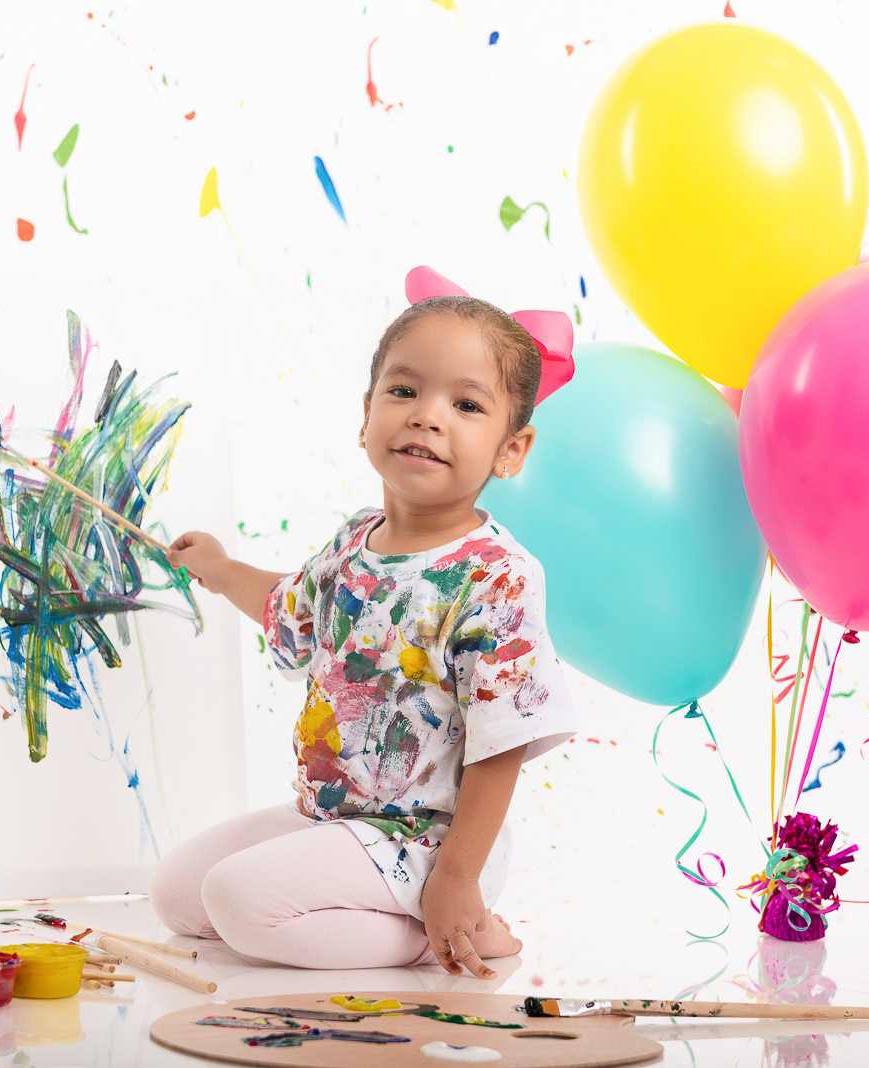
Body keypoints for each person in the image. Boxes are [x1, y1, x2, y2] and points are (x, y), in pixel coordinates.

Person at [150, 268, 577, 979]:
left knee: (236, 899)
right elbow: (289, 607)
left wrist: (456, 877)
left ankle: (440, 930)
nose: (426, 415)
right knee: (177, 895)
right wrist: (220, 567)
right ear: (366, 414)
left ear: (511, 449)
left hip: (424, 842)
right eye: (404, 391)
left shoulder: (497, 575)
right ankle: (395, 918)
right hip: (335, 819)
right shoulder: (355, 539)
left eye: (466, 405)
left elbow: (504, 743)